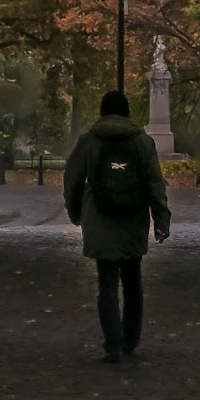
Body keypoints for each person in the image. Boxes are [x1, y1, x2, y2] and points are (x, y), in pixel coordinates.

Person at [64, 88, 171, 362]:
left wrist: (76, 213)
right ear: (126, 112)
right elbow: (154, 183)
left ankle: (113, 343)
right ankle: (131, 340)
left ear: (102, 112)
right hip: (133, 218)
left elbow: (72, 180)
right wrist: (160, 220)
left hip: (99, 218)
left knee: (107, 282)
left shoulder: (89, 141)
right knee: (132, 279)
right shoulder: (142, 143)